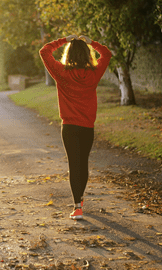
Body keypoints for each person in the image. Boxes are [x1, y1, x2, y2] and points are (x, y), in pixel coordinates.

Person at [39, 34, 112, 220]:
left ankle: (77, 207)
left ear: (68, 54)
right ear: (87, 55)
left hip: (69, 127)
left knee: (74, 164)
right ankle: (80, 199)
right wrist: (91, 42)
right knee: (83, 163)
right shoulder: (94, 74)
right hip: (87, 127)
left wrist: (64, 40)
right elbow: (107, 53)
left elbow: (44, 51)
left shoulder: (61, 73)